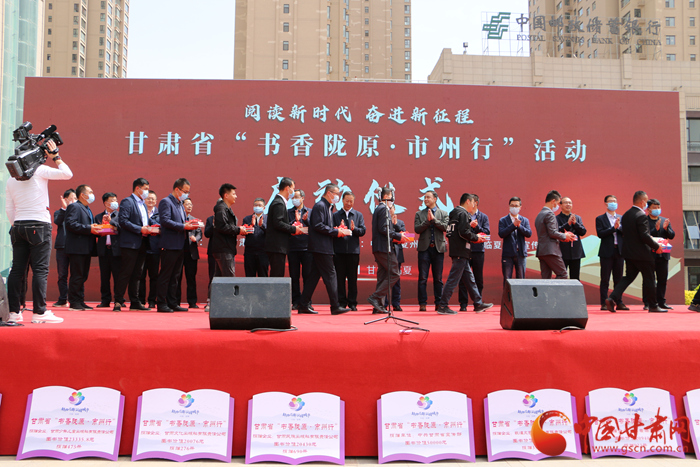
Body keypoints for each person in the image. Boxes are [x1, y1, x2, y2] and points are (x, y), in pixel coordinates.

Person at [5, 139, 71, 323]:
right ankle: (39, 312)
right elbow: (67, 174)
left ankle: (13, 312)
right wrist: (55, 156)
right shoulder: (40, 170)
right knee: (40, 270)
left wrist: (16, 225)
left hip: (18, 226)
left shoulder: (11, 178)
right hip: (39, 225)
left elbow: (9, 208)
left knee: (17, 270)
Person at [605, 191, 665, 313]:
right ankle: (653, 305)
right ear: (642, 202)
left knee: (628, 277)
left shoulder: (626, 214)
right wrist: (656, 246)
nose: (647, 204)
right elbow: (644, 235)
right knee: (650, 278)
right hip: (642, 254)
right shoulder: (641, 215)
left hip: (629, 253)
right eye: (646, 201)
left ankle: (612, 298)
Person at [297, 184, 351, 315]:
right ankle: (335, 306)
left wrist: (337, 230)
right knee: (331, 275)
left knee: (313, 276)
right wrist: (335, 232)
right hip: (321, 247)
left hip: (323, 246)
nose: (337, 196)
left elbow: (323, 226)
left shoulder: (328, 207)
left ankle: (303, 304)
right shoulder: (320, 206)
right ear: (329, 193)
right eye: (336, 193)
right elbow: (317, 225)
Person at [436, 193, 493, 315]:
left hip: (459, 250)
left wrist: (469, 228)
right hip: (460, 250)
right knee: (453, 279)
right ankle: (443, 305)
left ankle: (478, 303)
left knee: (470, 279)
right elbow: (464, 232)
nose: (474, 205)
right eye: (473, 202)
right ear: (468, 201)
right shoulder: (462, 213)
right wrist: (476, 237)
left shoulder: (454, 213)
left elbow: (456, 231)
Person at [156, 178, 200, 313]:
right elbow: (165, 221)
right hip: (169, 245)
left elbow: (181, 222)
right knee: (166, 275)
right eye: (185, 191)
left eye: (188, 192)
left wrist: (189, 225)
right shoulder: (166, 202)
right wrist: (183, 226)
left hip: (180, 245)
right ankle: (161, 303)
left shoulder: (180, 204)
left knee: (175, 276)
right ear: (177, 189)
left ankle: (172, 303)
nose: (186, 194)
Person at [114, 178, 157, 312]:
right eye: (145, 189)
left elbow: (144, 222)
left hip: (142, 242)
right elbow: (123, 221)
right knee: (126, 272)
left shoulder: (143, 204)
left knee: (138, 274)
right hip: (130, 244)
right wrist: (140, 229)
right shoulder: (128, 201)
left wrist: (152, 228)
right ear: (137, 188)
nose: (147, 192)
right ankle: (118, 301)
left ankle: (135, 301)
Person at [367, 187, 409, 314]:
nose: (393, 199)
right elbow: (383, 229)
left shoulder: (379, 209)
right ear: (386, 197)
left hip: (380, 248)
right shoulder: (383, 209)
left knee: (382, 276)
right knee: (395, 273)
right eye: (391, 196)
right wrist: (398, 235)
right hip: (384, 248)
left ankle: (378, 306)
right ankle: (375, 297)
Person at [206, 184, 248, 312]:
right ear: (226, 195)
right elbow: (222, 227)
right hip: (223, 248)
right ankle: (232, 305)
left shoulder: (225, 208)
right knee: (229, 277)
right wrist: (238, 230)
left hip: (225, 247)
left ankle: (213, 303)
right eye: (233, 194)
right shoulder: (221, 208)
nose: (236, 196)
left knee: (218, 278)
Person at [64, 184, 99, 311]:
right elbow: (70, 224)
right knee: (77, 275)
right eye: (90, 192)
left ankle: (80, 300)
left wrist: (96, 227)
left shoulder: (87, 208)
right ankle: (74, 302)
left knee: (83, 275)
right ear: (82, 195)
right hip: (77, 248)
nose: (92, 194)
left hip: (86, 247)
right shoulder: (74, 206)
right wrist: (89, 228)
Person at [414, 190, 448, 312]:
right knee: (423, 278)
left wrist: (434, 220)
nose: (426, 199)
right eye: (425, 197)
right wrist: (427, 222)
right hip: (424, 249)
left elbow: (445, 227)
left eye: (428, 197)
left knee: (438, 278)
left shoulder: (443, 213)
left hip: (438, 249)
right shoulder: (419, 214)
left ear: (435, 199)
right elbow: (417, 229)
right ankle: (422, 303)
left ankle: (439, 303)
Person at [333, 192, 366, 311]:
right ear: (342, 200)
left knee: (352, 279)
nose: (349, 203)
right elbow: (331, 231)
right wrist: (339, 229)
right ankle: (341, 302)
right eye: (347, 200)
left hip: (353, 251)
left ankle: (352, 303)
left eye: (351, 201)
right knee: (340, 278)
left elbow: (363, 231)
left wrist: (354, 229)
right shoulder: (336, 215)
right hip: (339, 251)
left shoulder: (358, 215)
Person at [265, 177, 303, 277]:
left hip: (278, 246)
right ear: (287, 188)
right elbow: (278, 223)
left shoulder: (279, 202)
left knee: (277, 275)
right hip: (277, 246)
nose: (293, 191)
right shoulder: (279, 203)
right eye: (293, 188)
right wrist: (294, 229)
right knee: (277, 276)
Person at [596, 195, 628, 311]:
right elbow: (600, 234)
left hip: (619, 251)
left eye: (615, 201)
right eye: (611, 201)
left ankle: (619, 302)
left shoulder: (621, 218)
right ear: (606, 203)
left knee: (618, 279)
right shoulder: (600, 218)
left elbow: (626, 232)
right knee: (605, 279)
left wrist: (618, 227)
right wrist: (613, 228)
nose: (613, 203)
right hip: (606, 252)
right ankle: (604, 302)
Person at [534, 190, 575, 279]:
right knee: (563, 274)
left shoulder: (540, 214)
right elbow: (552, 232)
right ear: (553, 201)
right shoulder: (549, 214)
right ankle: (555, 289)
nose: (558, 206)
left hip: (542, 251)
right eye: (558, 203)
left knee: (546, 278)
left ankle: (547, 289)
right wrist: (565, 236)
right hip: (550, 251)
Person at [460, 194, 489, 311]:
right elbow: (461, 231)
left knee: (478, 278)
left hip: (478, 251)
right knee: (463, 278)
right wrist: (468, 225)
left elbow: (486, 234)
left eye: (471, 201)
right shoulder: (464, 215)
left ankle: (478, 303)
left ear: (475, 203)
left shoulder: (483, 217)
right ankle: (463, 304)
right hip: (465, 250)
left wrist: (477, 227)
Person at [646, 198, 675, 310]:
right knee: (649, 279)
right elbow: (645, 236)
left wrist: (666, 229)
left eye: (658, 207)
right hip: (650, 254)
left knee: (662, 279)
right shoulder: (644, 221)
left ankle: (661, 301)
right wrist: (655, 229)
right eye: (654, 207)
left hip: (663, 254)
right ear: (648, 209)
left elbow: (671, 235)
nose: (657, 209)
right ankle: (648, 302)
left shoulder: (664, 220)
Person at [95, 192, 121, 308]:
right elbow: (95, 231)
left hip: (116, 250)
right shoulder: (98, 217)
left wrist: (111, 221)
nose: (115, 202)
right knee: (104, 277)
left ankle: (119, 300)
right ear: (106, 203)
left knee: (118, 276)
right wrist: (101, 224)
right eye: (112, 200)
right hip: (104, 250)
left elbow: (121, 228)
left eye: (116, 200)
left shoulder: (119, 216)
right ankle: (105, 300)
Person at [288, 189, 313, 310]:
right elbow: (286, 227)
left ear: (303, 198)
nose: (295, 199)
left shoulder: (310, 211)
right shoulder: (288, 212)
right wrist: (296, 221)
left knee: (308, 276)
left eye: (297, 197)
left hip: (307, 248)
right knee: (294, 276)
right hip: (292, 248)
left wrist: (305, 220)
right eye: (293, 197)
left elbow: (314, 227)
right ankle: (296, 301)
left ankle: (307, 301)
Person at [498, 196, 532, 285]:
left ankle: (520, 295)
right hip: (508, 255)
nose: (514, 208)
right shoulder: (503, 220)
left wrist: (519, 226)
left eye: (516, 206)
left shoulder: (524, 220)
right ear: (509, 206)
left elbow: (529, 233)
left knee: (521, 280)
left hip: (521, 254)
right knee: (507, 280)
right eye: (512, 205)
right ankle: (507, 295)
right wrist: (513, 225)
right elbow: (501, 234)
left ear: (520, 207)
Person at [52, 188, 76, 308]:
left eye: (75, 198)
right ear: (66, 199)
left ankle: (74, 299)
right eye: (72, 198)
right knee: (62, 275)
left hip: (75, 247)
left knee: (75, 274)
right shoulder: (59, 212)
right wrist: (64, 209)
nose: (74, 200)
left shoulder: (78, 212)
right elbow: (57, 221)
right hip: (62, 247)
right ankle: (62, 299)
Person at [555, 196, 587, 281]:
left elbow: (583, 232)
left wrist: (575, 223)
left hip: (576, 252)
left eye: (570, 203)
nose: (568, 204)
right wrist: (568, 224)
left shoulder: (577, 218)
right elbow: (556, 231)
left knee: (575, 278)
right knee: (561, 277)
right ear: (560, 205)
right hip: (562, 252)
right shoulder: (556, 218)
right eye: (566, 202)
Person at [138, 190, 160, 308]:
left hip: (155, 248)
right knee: (140, 276)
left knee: (154, 276)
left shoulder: (160, 214)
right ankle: (141, 300)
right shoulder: (140, 212)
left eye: (153, 199)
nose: (150, 200)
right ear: (144, 200)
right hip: (141, 247)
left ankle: (152, 300)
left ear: (156, 201)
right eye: (148, 198)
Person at [179, 198, 201, 308]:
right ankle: (175, 302)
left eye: (191, 204)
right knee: (177, 278)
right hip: (179, 252)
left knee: (191, 278)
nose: (189, 206)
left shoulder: (194, 220)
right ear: (182, 206)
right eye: (187, 204)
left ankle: (192, 302)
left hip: (191, 253)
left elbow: (199, 233)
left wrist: (196, 239)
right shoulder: (178, 219)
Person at [242, 198, 269, 277]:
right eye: (255, 205)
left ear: (264, 208)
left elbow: (270, 233)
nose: (257, 207)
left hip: (263, 252)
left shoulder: (268, 219)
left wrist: (262, 226)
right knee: (249, 276)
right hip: (250, 252)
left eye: (260, 205)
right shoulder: (247, 219)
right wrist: (251, 225)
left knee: (263, 276)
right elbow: (243, 232)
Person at [385, 205, 405, 311]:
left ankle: (396, 303)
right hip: (385, 253)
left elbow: (404, 235)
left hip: (397, 253)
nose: (389, 210)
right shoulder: (383, 222)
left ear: (394, 209)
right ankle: (384, 303)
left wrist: (395, 224)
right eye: (388, 209)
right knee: (385, 279)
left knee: (396, 279)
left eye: (391, 208)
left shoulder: (400, 222)